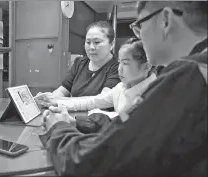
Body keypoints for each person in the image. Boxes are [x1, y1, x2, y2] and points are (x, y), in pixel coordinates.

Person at [39, 1, 207, 176]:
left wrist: (58, 128)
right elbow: (133, 124)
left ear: (165, 20)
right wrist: (79, 123)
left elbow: (88, 163)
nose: (139, 37)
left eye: (139, 26)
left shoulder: (188, 77)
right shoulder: (194, 72)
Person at [42, 38, 157, 116]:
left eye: (125, 63)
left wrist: (97, 114)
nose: (119, 69)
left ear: (146, 66)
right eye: (119, 62)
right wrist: (56, 103)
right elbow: (92, 101)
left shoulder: (154, 94)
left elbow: (124, 121)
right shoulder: (121, 87)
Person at [35, 21, 120, 107]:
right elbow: (62, 91)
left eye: (97, 42)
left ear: (111, 44)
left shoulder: (117, 69)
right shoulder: (79, 63)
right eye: (88, 42)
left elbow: (100, 101)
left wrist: (61, 102)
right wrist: (50, 99)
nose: (91, 47)